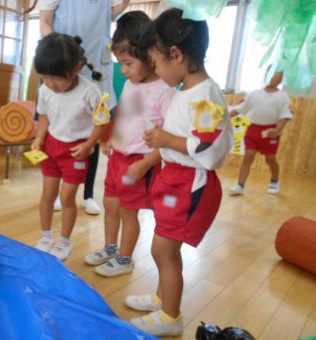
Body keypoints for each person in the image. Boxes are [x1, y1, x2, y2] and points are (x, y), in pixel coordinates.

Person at [125, 8, 232, 336]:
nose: (155, 70)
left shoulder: (205, 97)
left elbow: (210, 149)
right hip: (173, 179)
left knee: (163, 249)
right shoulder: (187, 91)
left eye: (156, 62)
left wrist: (166, 139)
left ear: (177, 54)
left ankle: (171, 316)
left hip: (188, 185)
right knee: (163, 246)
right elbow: (184, 138)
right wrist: (160, 146)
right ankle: (162, 296)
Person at [84, 11, 174, 277]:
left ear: (148, 56)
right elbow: (126, 116)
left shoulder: (164, 90)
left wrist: (146, 164)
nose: (123, 71)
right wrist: (113, 138)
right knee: (110, 205)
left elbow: (169, 138)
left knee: (128, 212)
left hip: (140, 163)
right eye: (120, 64)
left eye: (128, 63)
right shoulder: (131, 84)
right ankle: (110, 247)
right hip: (118, 158)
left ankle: (125, 259)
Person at [38, 0, 130, 215]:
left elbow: (108, 16)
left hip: (95, 63)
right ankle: (60, 191)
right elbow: (44, 20)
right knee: (59, 126)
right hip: (63, 64)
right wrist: (57, 55)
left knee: (92, 132)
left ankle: (88, 194)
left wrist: (124, 3)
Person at [32, 33, 107, 261]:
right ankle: (46, 235)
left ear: (76, 69)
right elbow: (44, 117)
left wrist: (89, 145)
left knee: (66, 198)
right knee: (47, 195)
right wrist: (39, 139)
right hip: (51, 148)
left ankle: (64, 239)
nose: (50, 84)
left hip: (75, 151)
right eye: (44, 77)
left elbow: (100, 121)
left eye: (56, 78)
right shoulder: (45, 90)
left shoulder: (90, 92)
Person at [228, 70, 292, 195]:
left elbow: (285, 115)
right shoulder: (254, 94)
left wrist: (278, 130)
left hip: (270, 131)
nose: (273, 78)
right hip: (253, 130)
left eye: (276, 77)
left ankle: (274, 181)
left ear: (281, 80)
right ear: (266, 75)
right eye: (271, 75)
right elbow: (241, 108)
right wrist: (225, 117)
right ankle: (240, 185)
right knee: (248, 157)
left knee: (270, 159)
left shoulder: (282, 97)